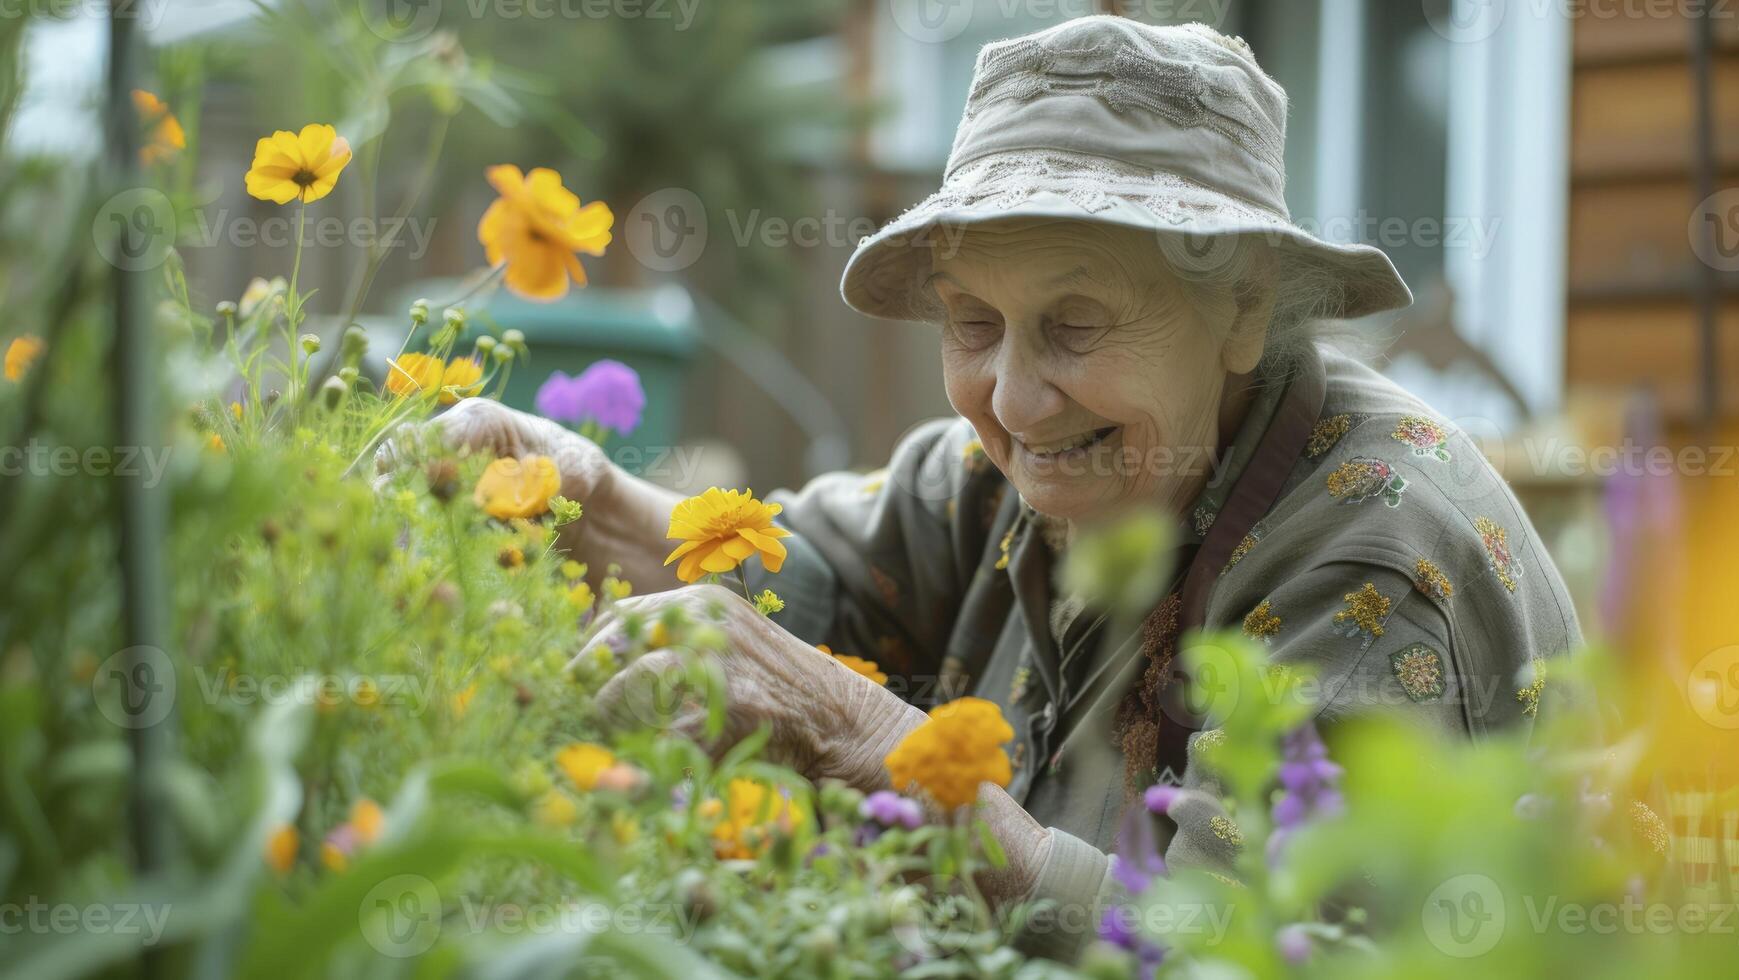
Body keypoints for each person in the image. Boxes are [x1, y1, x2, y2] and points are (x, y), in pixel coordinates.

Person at [403, 17, 1579, 957]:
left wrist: (862, 731)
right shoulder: (1015, 470)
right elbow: (802, 581)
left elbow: (1219, 950)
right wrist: (583, 491)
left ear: (1242, 312)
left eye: (1074, 323)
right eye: (974, 323)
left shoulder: (1370, 557)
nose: (1012, 402)